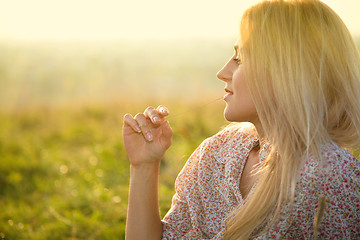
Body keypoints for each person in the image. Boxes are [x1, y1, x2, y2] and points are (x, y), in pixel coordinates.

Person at [123, 0, 360, 239]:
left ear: (288, 72)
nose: (223, 72)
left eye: (240, 59)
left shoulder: (329, 177)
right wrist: (143, 165)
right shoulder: (218, 150)